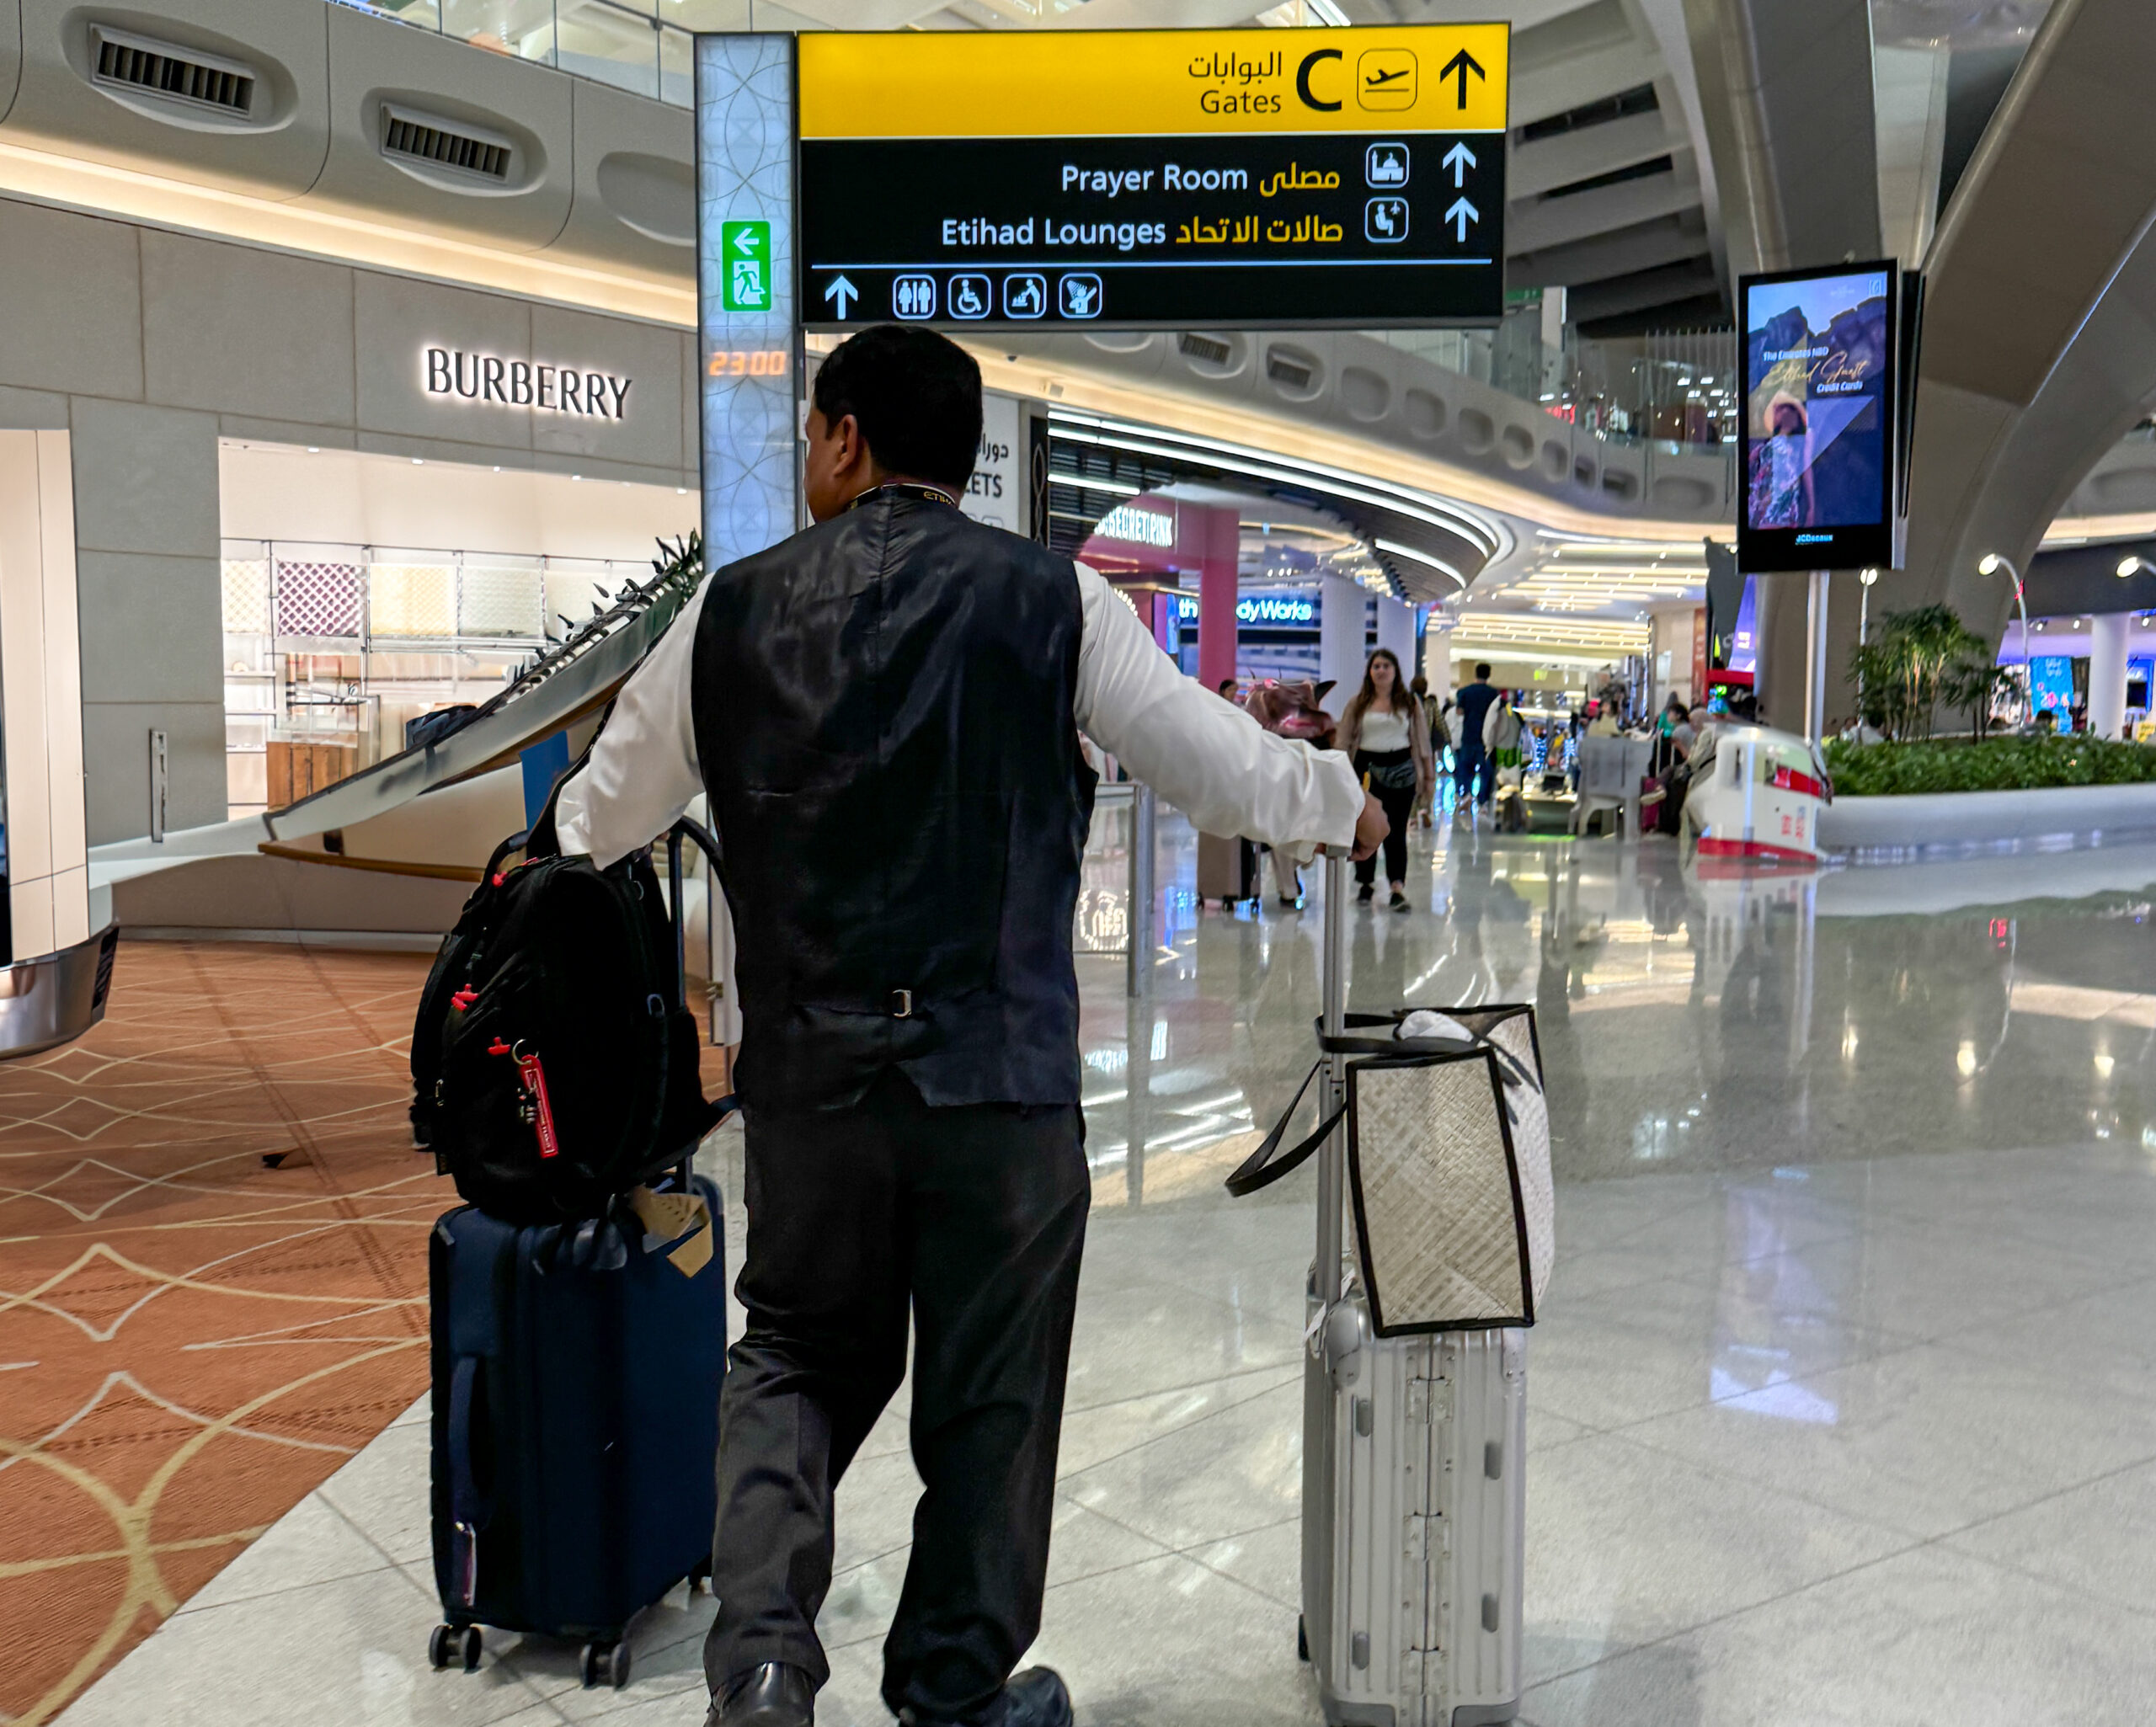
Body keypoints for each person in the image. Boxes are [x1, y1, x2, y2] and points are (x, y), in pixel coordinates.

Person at [552, 325, 1383, 1727]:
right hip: (998, 1086)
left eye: (812, 429)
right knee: (991, 1405)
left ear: (848, 438)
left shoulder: (731, 614)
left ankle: (760, 1668)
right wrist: (1336, 802)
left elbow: (599, 819)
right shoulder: (1054, 602)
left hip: (809, 1081)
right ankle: (948, 1696)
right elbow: (1210, 760)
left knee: (797, 1355)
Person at [1338, 648, 1432, 911]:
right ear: (1370, 671)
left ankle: (1396, 887)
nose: (1381, 671)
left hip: (1402, 770)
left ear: (1395, 671)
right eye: (1376, 666)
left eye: (1386, 666)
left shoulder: (1409, 703)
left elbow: (1422, 742)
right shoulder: (1358, 703)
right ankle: (1366, 882)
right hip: (1365, 771)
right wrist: (1338, 771)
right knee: (1365, 828)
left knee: (1396, 832)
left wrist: (1428, 777)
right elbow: (1344, 739)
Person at [1451, 662, 1500, 811]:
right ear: (1489, 675)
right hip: (1486, 740)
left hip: (1468, 736)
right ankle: (1482, 802)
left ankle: (1466, 794)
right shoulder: (1494, 694)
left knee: (1466, 769)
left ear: (1475, 674)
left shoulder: (1464, 692)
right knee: (1486, 772)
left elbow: (1459, 712)